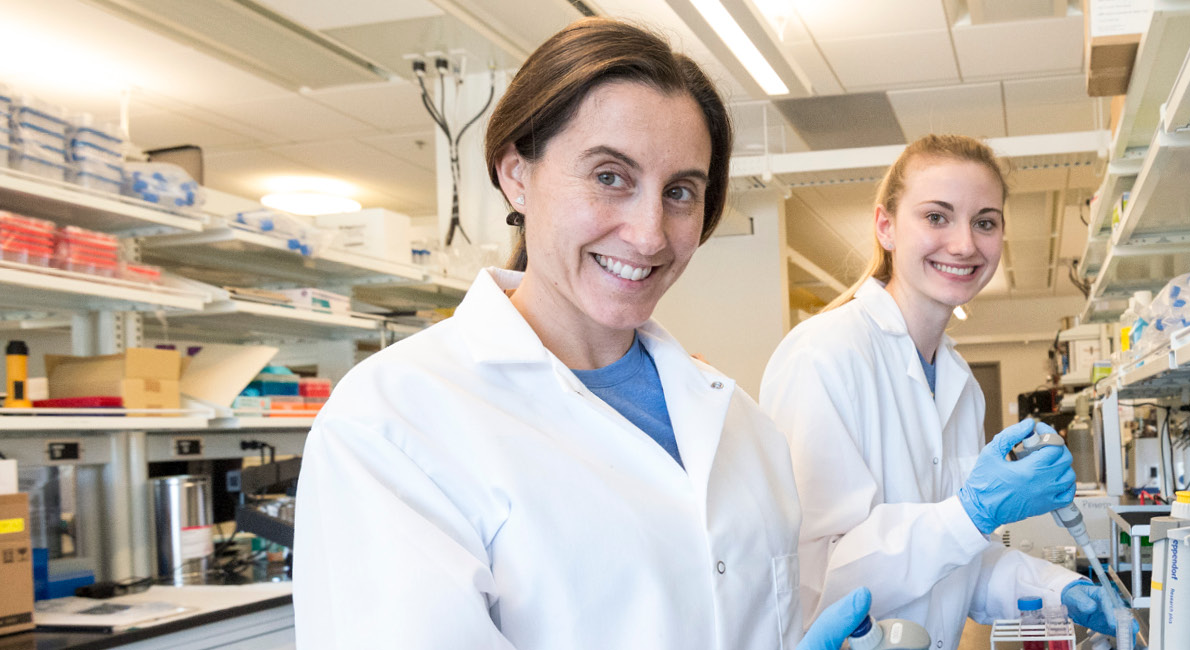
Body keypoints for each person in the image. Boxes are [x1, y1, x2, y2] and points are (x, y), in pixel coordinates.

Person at [294, 18, 864, 649]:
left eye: (680, 192)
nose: (649, 234)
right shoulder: (393, 421)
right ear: (516, 175)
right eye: (609, 176)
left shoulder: (742, 428)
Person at [761, 135, 1134, 648]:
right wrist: (971, 512)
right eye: (937, 217)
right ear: (886, 226)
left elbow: (956, 560)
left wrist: (1061, 588)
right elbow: (816, 581)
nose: (964, 244)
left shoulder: (958, 380)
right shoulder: (822, 355)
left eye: (985, 221)